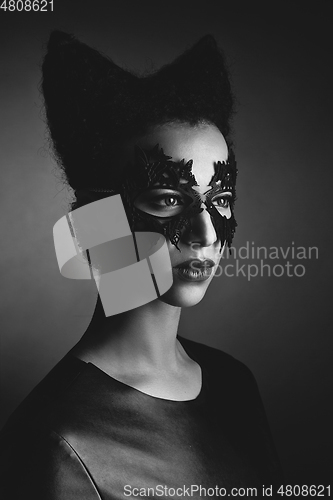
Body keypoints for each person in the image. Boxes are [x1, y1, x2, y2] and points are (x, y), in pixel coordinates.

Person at [0, 31, 282, 499]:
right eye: (168, 199)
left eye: (222, 200)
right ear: (90, 222)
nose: (205, 235)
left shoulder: (234, 383)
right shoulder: (58, 444)